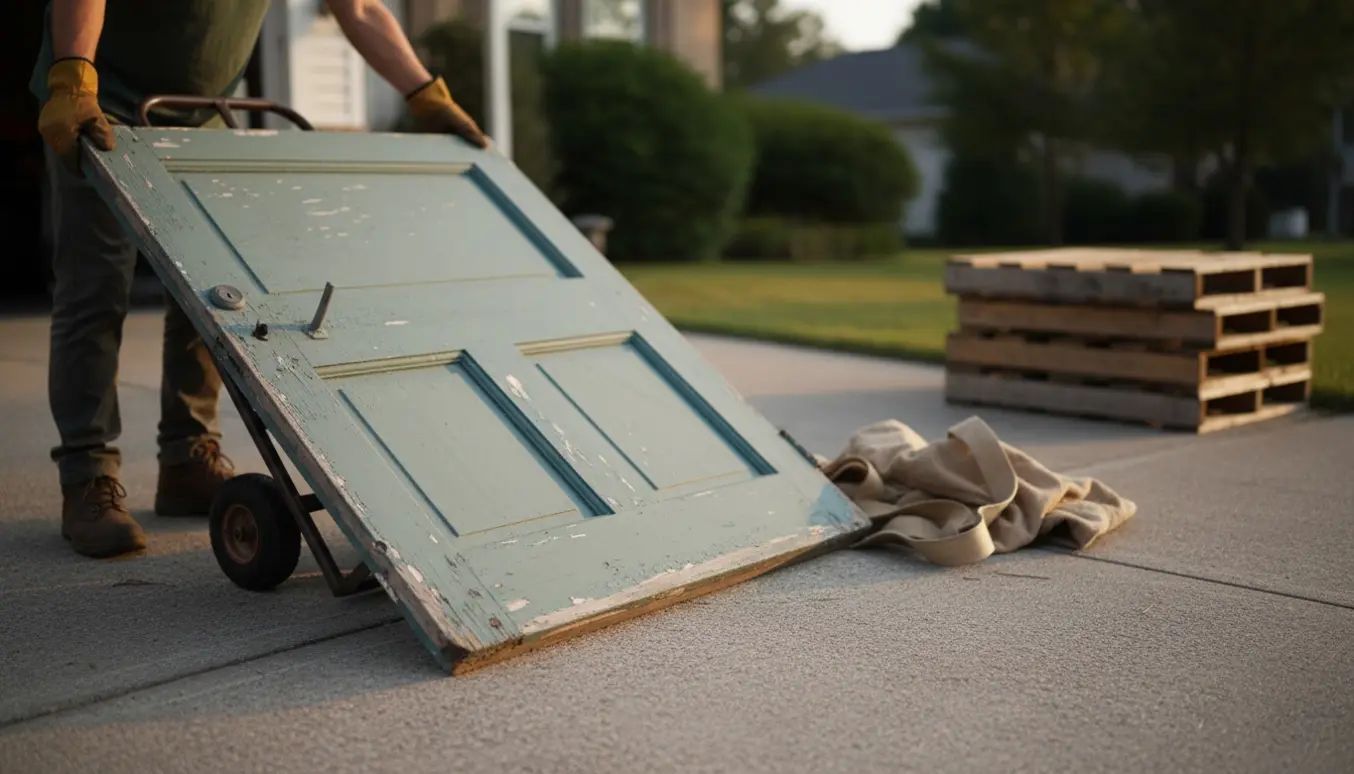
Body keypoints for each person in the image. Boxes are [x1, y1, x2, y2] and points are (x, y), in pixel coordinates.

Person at [33, 0, 489, 559]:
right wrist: (74, 76)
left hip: (199, 113)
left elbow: (361, 7)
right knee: (96, 289)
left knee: (211, 289)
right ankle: (87, 478)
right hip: (99, 104)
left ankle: (187, 456)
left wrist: (424, 93)